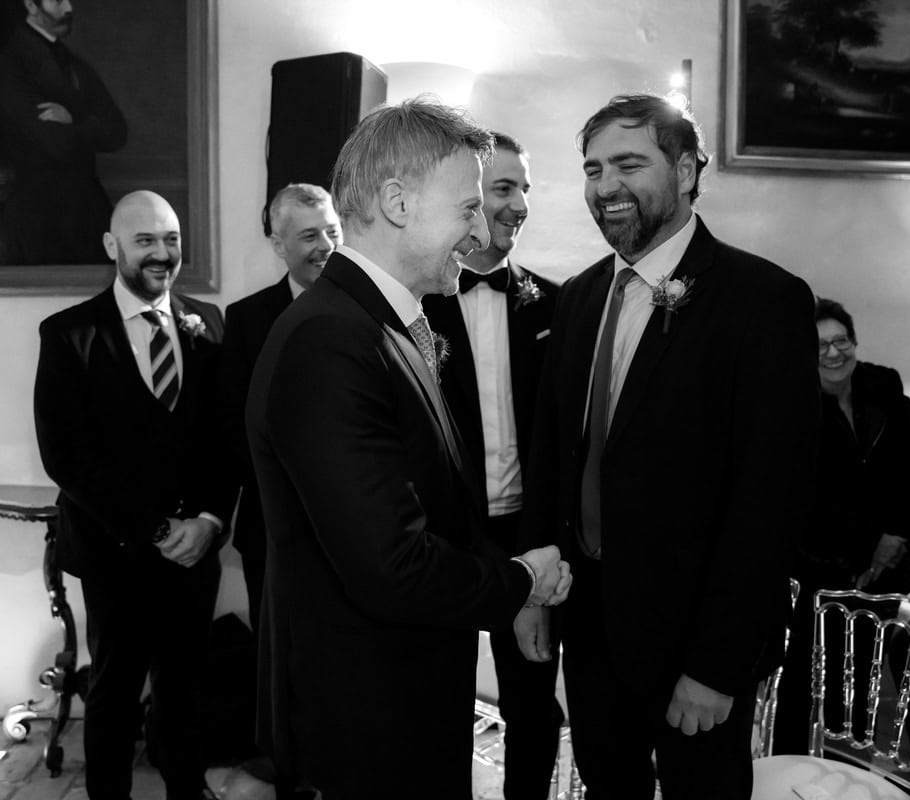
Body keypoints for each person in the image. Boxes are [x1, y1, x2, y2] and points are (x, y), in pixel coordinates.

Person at [245, 98, 571, 800]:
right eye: (467, 208)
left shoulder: (381, 323)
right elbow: (390, 565)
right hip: (366, 713)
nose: (480, 230)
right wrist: (521, 581)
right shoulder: (330, 340)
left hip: (404, 694)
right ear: (397, 203)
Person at [515, 93, 818, 800]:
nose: (605, 186)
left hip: (693, 639)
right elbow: (554, 454)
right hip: (590, 623)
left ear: (685, 171)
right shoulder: (580, 296)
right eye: (593, 169)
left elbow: (770, 500)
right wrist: (532, 586)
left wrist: (715, 664)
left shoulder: (762, 300)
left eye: (628, 164)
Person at [34, 190, 228, 800]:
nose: (161, 253)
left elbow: (225, 438)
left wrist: (209, 520)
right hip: (114, 552)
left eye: (171, 240)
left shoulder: (210, 322)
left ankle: (186, 791)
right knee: (114, 693)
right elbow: (66, 456)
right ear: (112, 246)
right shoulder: (68, 334)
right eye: (145, 241)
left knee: (185, 690)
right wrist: (155, 529)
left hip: (195, 551)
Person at [420, 131, 563, 799]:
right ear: (468, 198)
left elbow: (561, 444)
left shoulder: (553, 304)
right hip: (445, 541)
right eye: (505, 188)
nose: (521, 205)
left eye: (524, 189)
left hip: (527, 534)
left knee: (532, 705)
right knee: (438, 708)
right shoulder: (418, 308)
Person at [216, 183, 340, 797]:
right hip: (275, 525)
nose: (326, 246)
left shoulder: (368, 305)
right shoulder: (247, 320)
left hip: (351, 528)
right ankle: (289, 773)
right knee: (282, 660)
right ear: (278, 244)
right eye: (310, 235)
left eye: (333, 231)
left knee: (341, 659)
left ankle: (340, 767)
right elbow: (235, 426)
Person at [773, 297, 910, 754]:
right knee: (805, 696)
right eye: (820, 345)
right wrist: (870, 545)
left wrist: (900, 543)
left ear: (854, 341)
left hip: (883, 580)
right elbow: (800, 497)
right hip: (816, 576)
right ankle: (791, 776)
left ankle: (851, 776)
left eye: (841, 340)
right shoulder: (790, 403)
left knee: (859, 702)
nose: (833, 353)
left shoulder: (883, 386)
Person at [0, 0, 127, 264]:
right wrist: (86, 124)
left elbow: (117, 131)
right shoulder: (12, 67)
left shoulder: (74, 64)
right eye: (57, 0)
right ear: (30, 5)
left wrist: (73, 119)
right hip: (41, 215)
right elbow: (56, 143)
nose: (68, 8)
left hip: (88, 211)